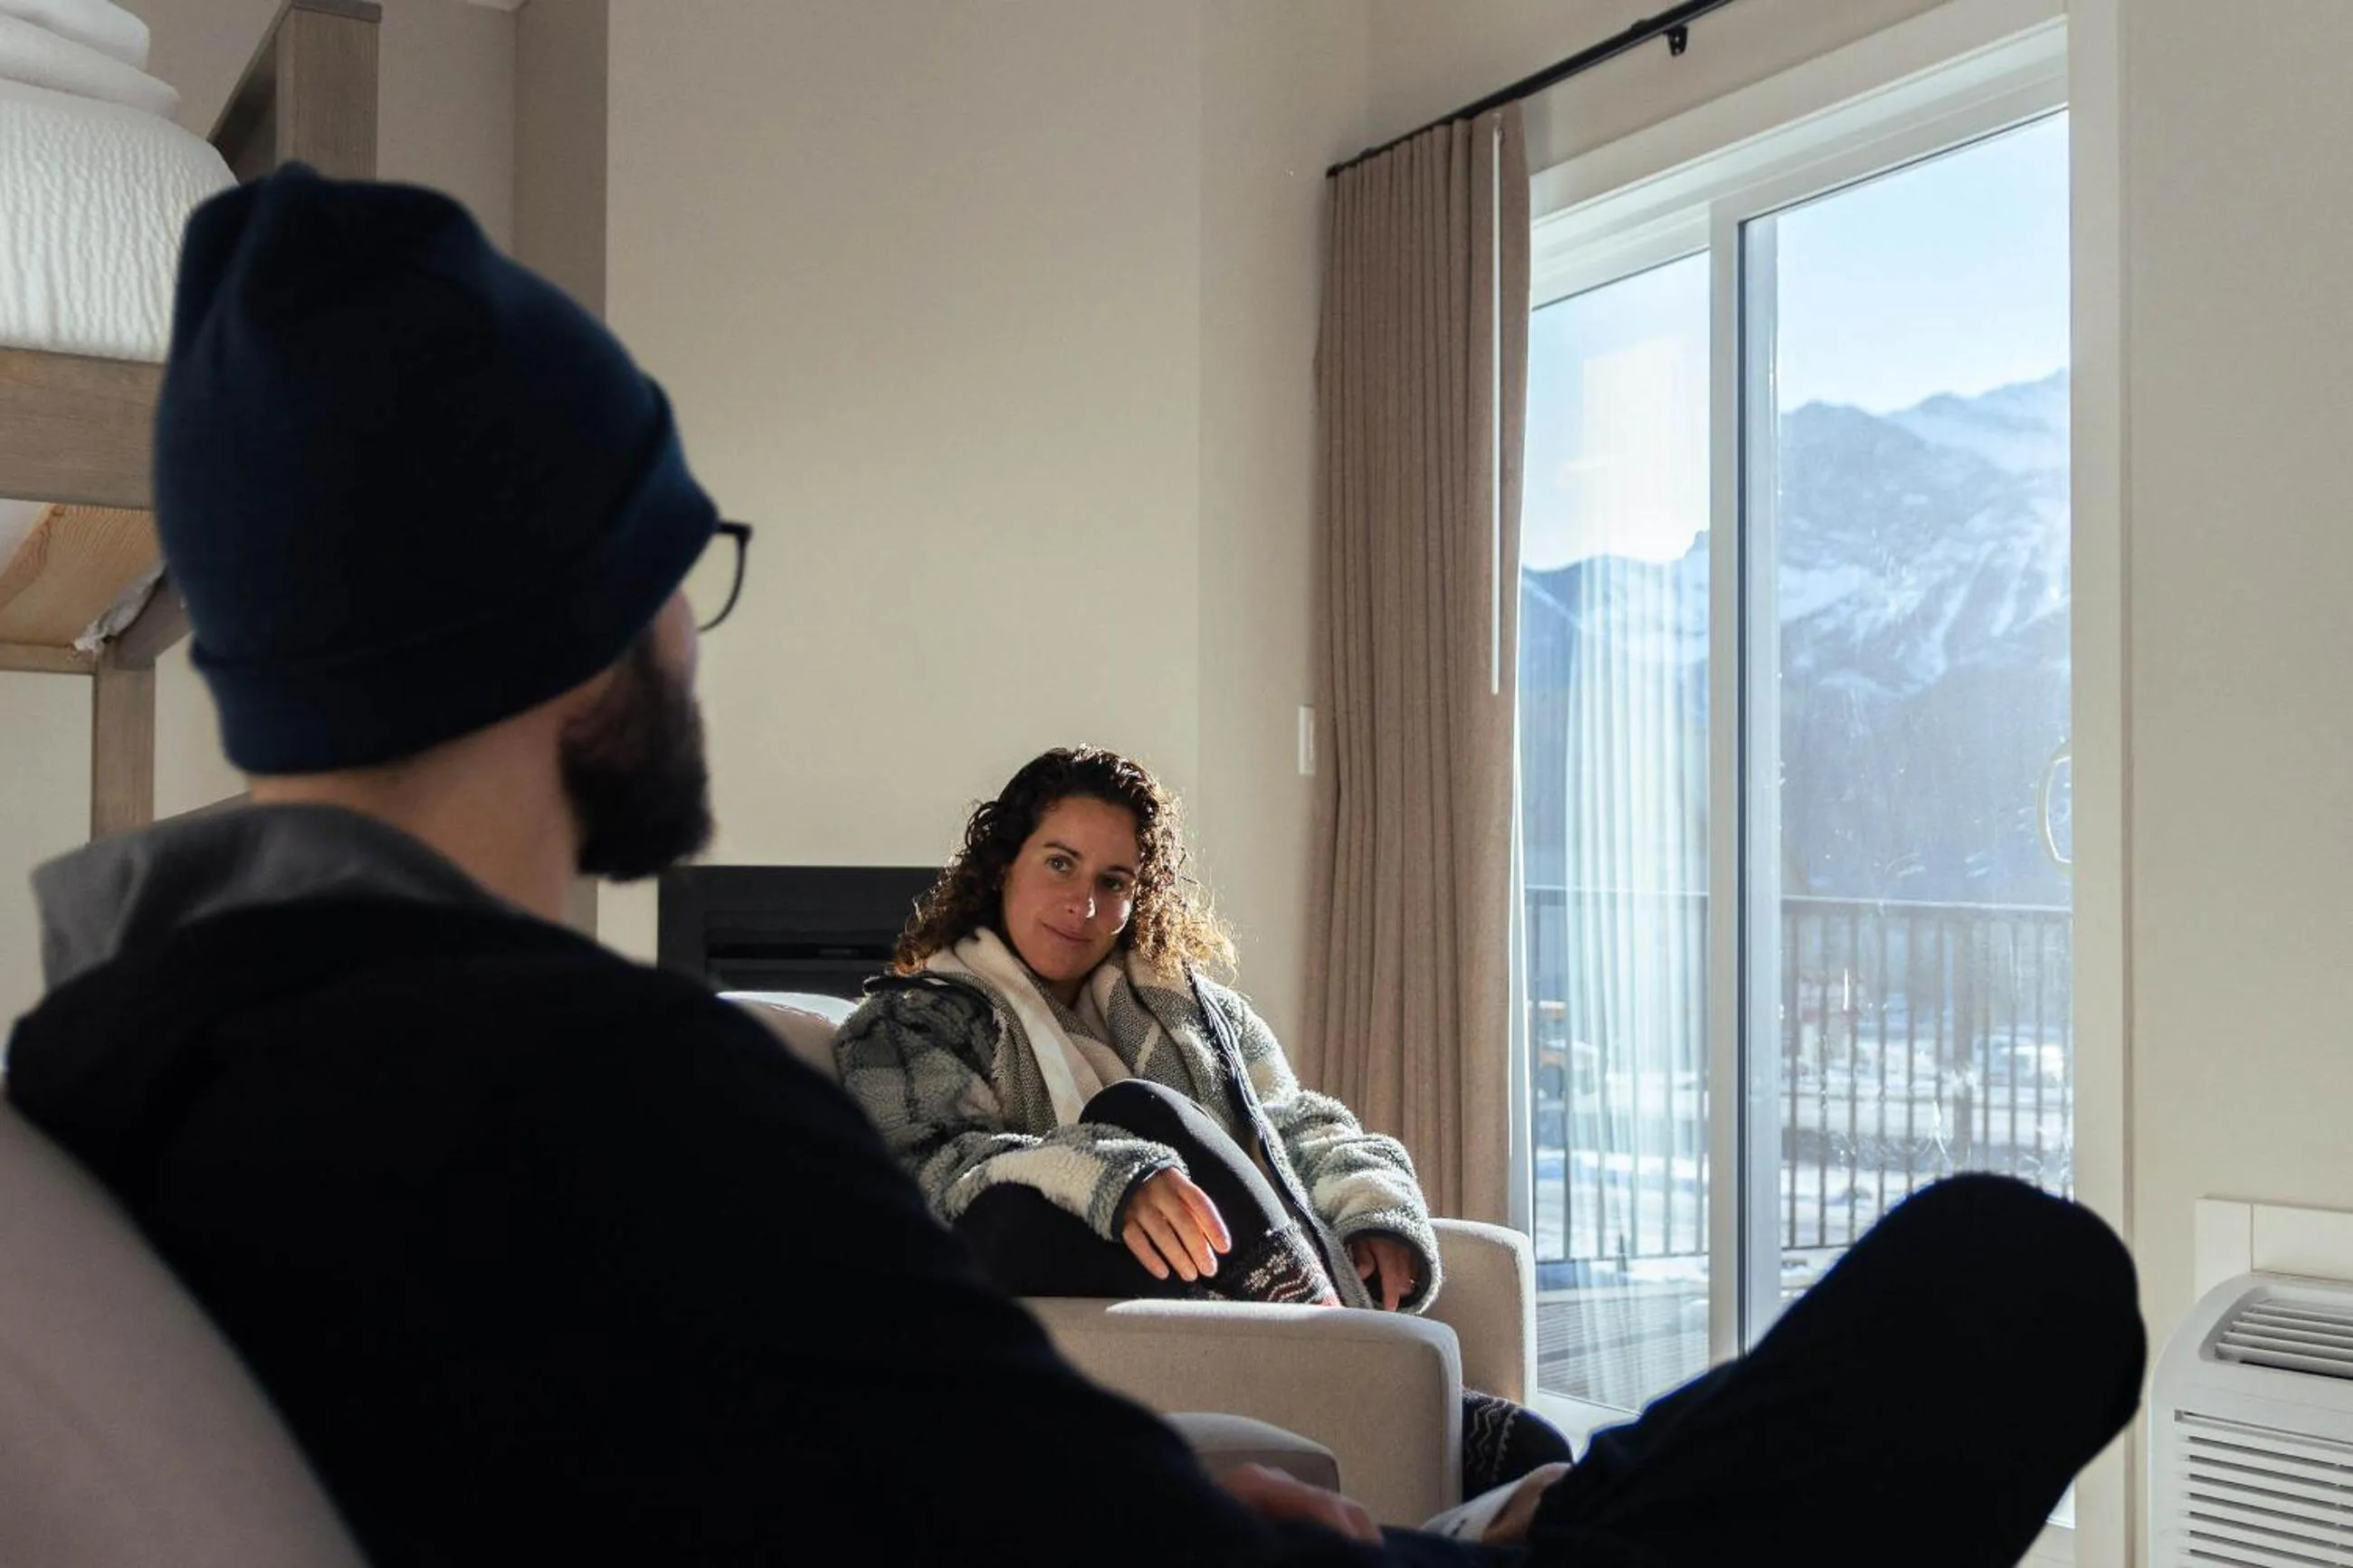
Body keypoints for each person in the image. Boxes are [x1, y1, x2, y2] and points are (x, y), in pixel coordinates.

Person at [4, 166, 2146, 1568]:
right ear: (568, 625)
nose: (684, 632)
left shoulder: (127, 1066)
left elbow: (839, 1460)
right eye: (678, 570)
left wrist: (1187, 1444)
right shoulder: (606, 1088)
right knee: (2012, 1284)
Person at [834, 746, 1576, 1491]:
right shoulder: (912, 1021)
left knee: (1536, 1454)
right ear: (1004, 865)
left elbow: (1297, 1123)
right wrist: (1112, 1177)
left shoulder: (1199, 1013)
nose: (1083, 905)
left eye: (1112, 882)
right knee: (1130, 1115)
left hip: (1221, 1284)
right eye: (1060, 863)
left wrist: (1372, 1210)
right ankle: (1343, 1347)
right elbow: (928, 1173)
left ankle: (1338, 1342)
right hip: (1068, 1293)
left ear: (1138, 895)